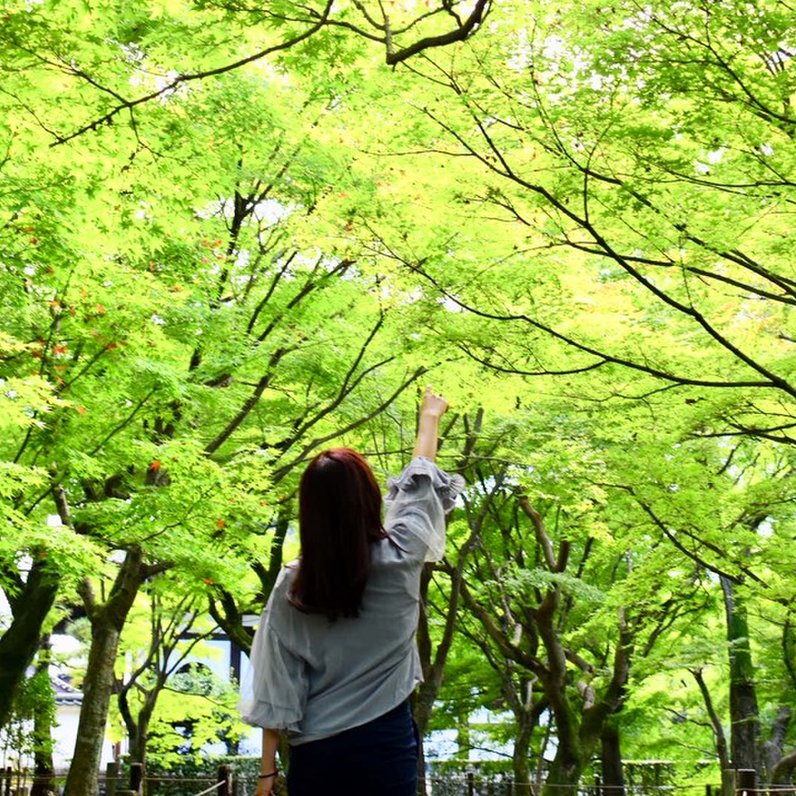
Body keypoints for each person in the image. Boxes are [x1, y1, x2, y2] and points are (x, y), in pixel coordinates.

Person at [239, 387, 465, 796]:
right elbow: (418, 485)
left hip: (317, 753)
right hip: (386, 746)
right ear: (369, 497)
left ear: (309, 511)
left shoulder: (294, 585)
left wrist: (266, 775)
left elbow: (278, 681)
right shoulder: (401, 556)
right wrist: (429, 419)